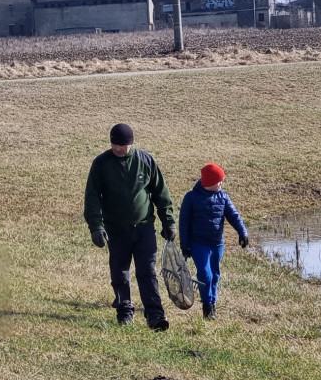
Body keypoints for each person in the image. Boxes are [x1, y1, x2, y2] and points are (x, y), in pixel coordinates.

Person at [84, 123, 176, 331]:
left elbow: (161, 194)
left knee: (147, 273)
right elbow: (92, 198)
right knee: (120, 272)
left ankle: (155, 315)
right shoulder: (101, 164)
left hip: (144, 228)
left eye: (122, 145)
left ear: (131, 144)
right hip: (116, 230)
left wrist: (168, 222)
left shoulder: (146, 161)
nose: (118, 149)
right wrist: (96, 227)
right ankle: (124, 311)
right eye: (115, 144)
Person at [178, 162, 248, 320]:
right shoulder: (191, 198)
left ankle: (212, 303)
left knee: (215, 275)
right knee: (205, 274)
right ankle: (207, 307)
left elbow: (234, 216)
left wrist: (242, 232)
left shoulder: (223, 196)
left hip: (217, 244)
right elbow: (184, 222)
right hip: (199, 244)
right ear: (209, 182)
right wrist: (185, 244)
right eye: (219, 181)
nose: (221, 184)